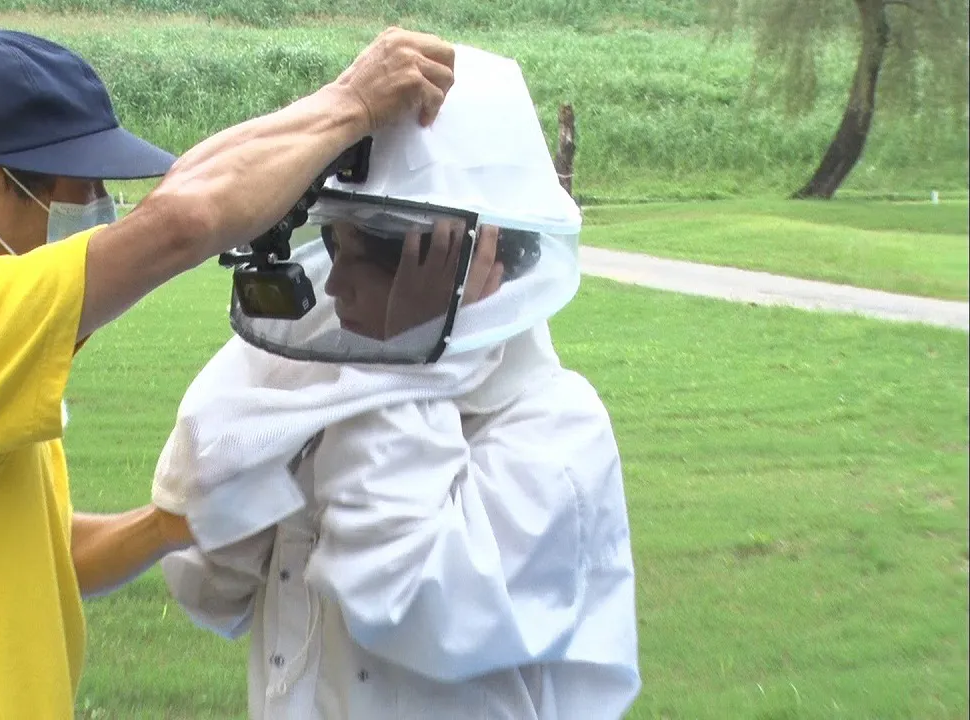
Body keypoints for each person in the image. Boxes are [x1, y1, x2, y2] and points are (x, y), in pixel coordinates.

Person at [0, 22, 458, 719]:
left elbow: (44, 556)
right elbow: (178, 224)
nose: (101, 212)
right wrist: (351, 104)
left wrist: (170, 525)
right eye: (80, 189)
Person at [152, 45, 640, 719]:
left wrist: (396, 364)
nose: (339, 281)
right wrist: (271, 395)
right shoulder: (318, 381)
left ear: (479, 258)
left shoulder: (558, 430)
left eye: (379, 251)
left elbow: (407, 601)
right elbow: (206, 584)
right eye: (335, 243)